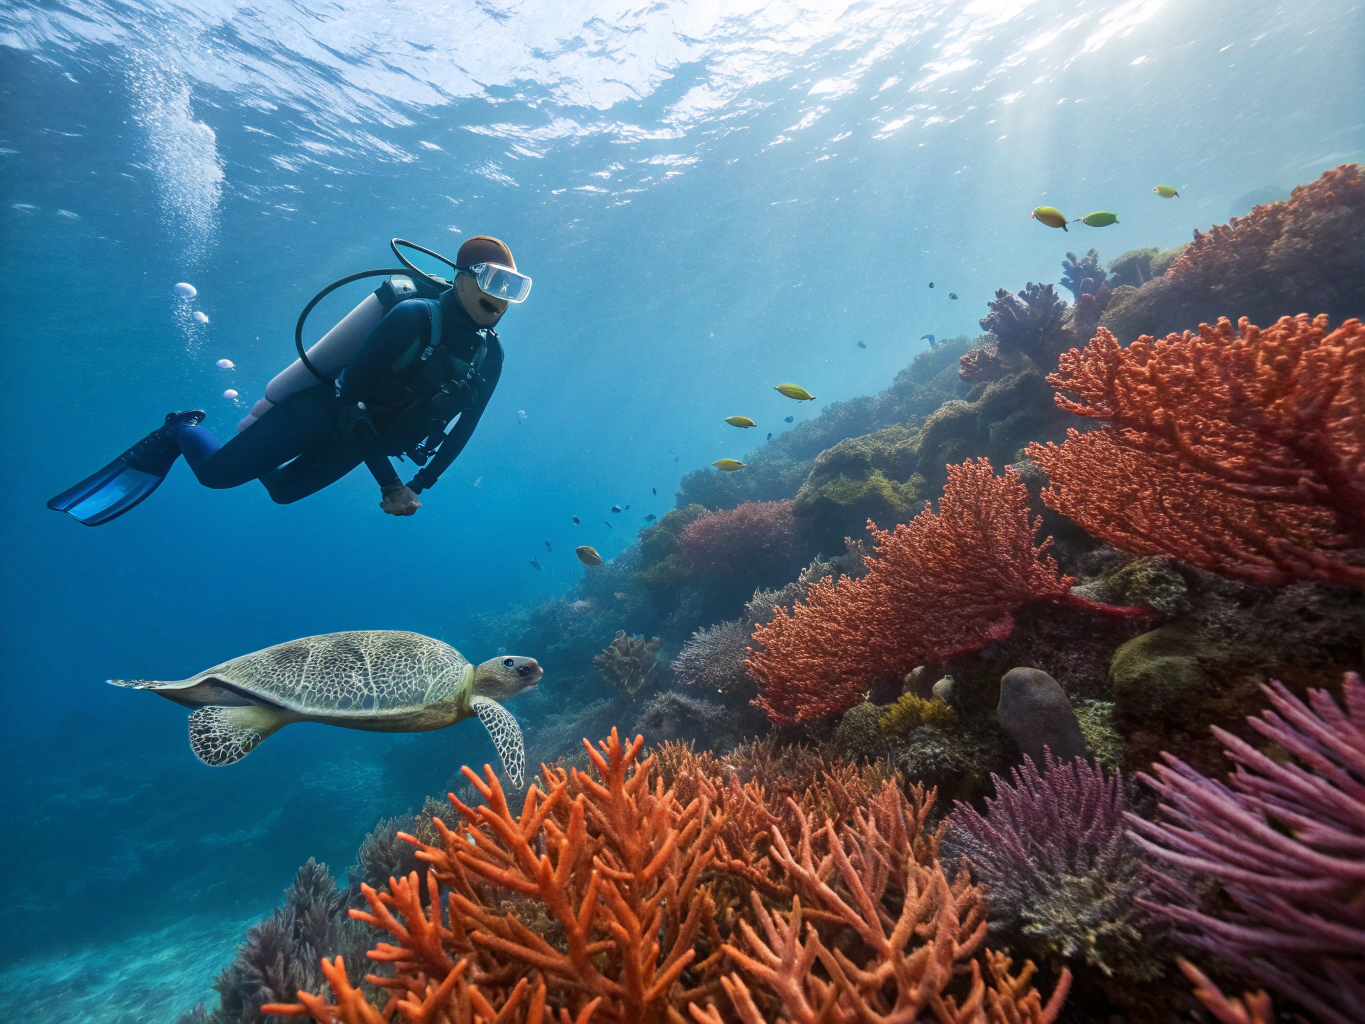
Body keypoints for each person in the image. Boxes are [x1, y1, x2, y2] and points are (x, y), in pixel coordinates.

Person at [49, 236, 529, 525]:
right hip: (325, 411)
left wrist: (421, 481)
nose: (502, 299)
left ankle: (250, 440)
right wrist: (389, 483)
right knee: (215, 476)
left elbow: (466, 427)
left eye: (514, 288)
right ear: (462, 277)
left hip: (365, 441)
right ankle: (181, 428)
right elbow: (350, 397)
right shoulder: (414, 317)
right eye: (494, 282)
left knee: (281, 492)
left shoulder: (491, 354)